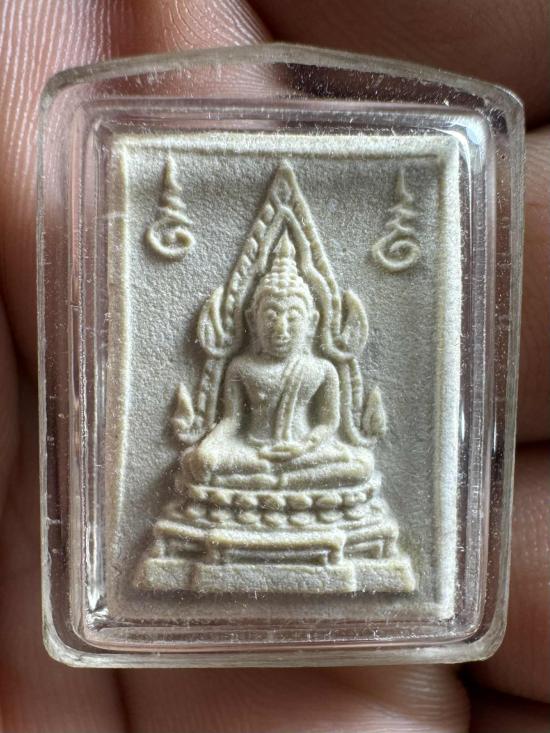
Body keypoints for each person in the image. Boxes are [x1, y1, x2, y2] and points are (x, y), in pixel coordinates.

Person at [0, 1, 548, 731]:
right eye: (270, 316)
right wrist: (233, 445)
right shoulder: (240, 370)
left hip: (309, 468)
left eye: (292, 316)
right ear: (251, 319)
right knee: (201, 461)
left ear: (312, 320)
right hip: (249, 467)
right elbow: (227, 428)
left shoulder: (320, 371)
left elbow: (336, 435)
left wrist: (303, 449)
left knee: (352, 467)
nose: (281, 324)